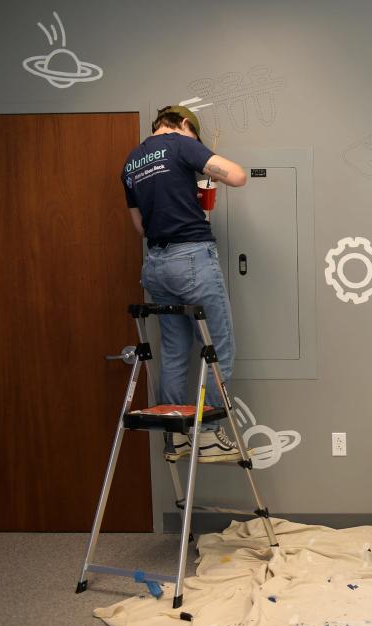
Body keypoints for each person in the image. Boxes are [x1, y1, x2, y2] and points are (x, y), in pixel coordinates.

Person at [122, 105, 247, 462]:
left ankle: (175, 440)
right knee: (217, 349)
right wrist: (211, 175)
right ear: (184, 124)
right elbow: (237, 176)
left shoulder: (131, 163)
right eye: (195, 135)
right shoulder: (180, 143)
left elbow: (141, 228)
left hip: (156, 264)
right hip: (192, 258)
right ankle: (206, 436)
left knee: (175, 352)